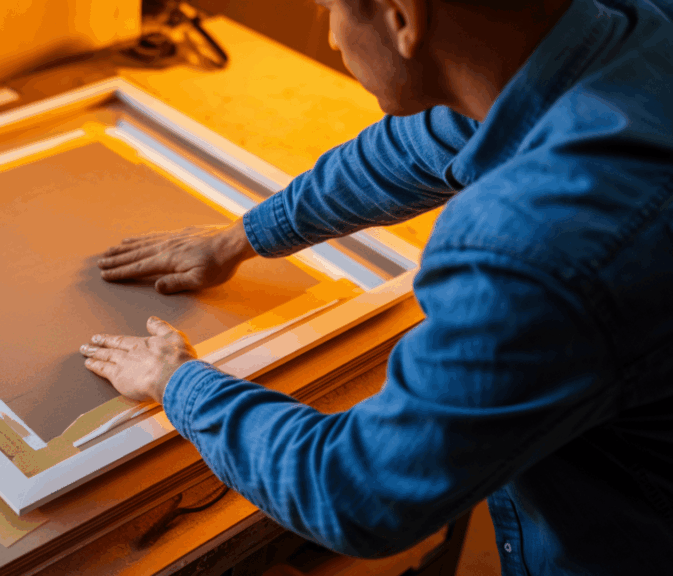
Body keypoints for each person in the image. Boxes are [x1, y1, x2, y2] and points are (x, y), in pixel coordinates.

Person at [78, 0, 673, 574]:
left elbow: (358, 491)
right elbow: (419, 144)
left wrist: (176, 381)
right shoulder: (618, 30)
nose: (334, 36)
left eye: (328, 8)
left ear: (403, 17)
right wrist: (240, 238)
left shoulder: (536, 243)